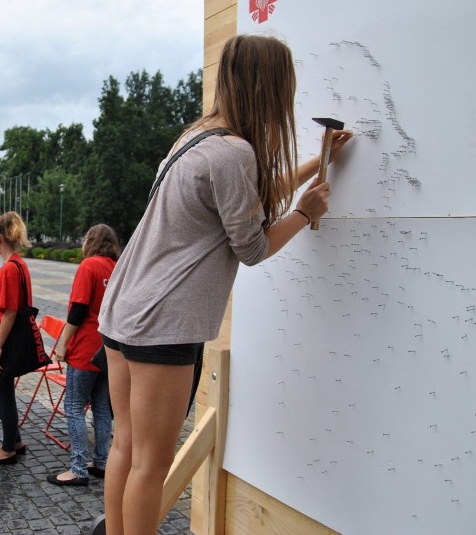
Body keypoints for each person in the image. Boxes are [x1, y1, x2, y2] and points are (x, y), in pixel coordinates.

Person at [97, 34, 354, 535]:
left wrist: (311, 166)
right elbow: (253, 246)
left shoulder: (199, 136)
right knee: (152, 462)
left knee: (125, 448)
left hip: (124, 309)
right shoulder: (236, 153)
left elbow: (241, 205)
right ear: (273, 88)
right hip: (163, 322)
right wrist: (306, 211)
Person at [47, 224, 120, 487]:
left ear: (91, 241)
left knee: (75, 407)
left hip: (86, 348)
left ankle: (78, 469)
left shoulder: (88, 266)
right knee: (102, 408)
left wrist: (63, 345)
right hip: (109, 349)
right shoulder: (117, 267)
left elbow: (77, 311)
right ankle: (101, 462)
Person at [0, 211, 32, 467]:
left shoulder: (11, 269)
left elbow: (10, 311)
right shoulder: (18, 264)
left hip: (6, 342)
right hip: (3, 337)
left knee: (2, 394)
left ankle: (9, 448)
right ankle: (15, 439)